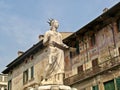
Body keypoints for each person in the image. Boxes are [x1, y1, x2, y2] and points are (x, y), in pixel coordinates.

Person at [41, 19, 68, 85]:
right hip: (52, 49)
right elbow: (44, 42)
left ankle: (58, 80)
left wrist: (65, 45)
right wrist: (50, 42)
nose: (58, 24)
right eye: (56, 22)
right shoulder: (48, 32)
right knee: (50, 64)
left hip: (60, 51)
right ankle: (45, 78)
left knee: (60, 66)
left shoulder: (59, 34)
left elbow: (61, 43)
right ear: (53, 24)